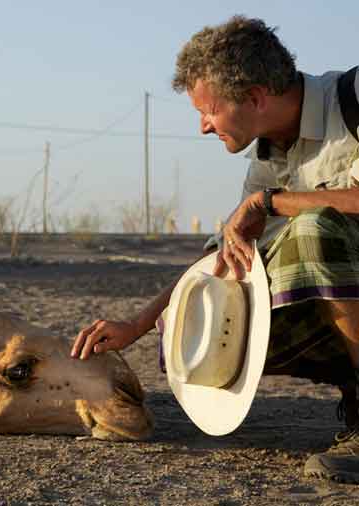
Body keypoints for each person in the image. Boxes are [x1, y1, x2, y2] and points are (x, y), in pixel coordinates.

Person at [71, 15, 359, 483]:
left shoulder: (353, 102)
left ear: (256, 97)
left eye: (208, 111)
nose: (204, 127)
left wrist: (271, 202)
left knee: (313, 232)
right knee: (201, 312)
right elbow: (220, 258)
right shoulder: (269, 155)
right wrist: (139, 324)